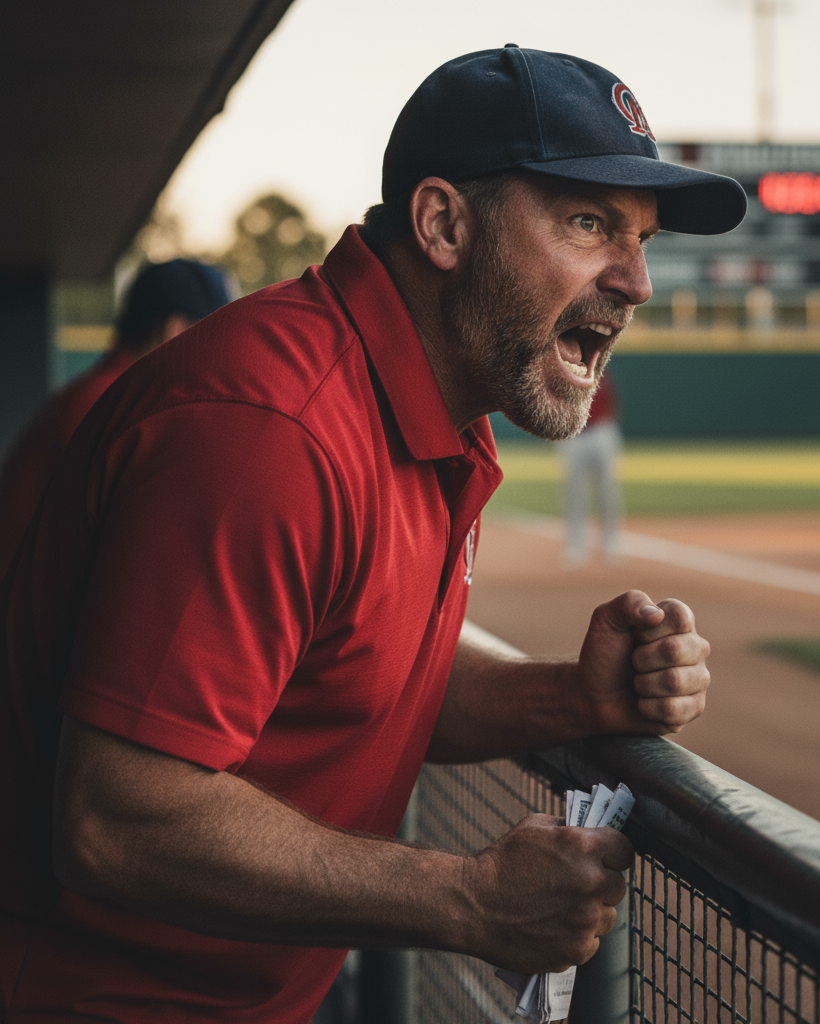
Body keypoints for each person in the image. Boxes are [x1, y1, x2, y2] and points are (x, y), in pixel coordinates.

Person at [0, 45, 746, 1023]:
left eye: (642, 237)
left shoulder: (435, 406)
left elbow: (364, 675)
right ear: (443, 224)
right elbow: (118, 816)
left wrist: (570, 696)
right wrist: (467, 898)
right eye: (588, 223)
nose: (637, 280)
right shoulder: (270, 428)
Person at [0, 258, 231, 577]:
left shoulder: (110, 390)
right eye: (216, 333)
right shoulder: (113, 400)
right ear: (175, 329)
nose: (224, 351)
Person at [559, 370, 624, 566]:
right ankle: (576, 546)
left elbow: (612, 402)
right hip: (574, 435)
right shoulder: (566, 372)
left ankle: (611, 542)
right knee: (575, 493)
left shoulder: (600, 370)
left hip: (601, 430)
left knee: (607, 490)